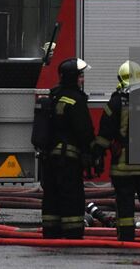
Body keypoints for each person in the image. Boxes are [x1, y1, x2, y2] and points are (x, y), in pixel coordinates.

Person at [92, 60, 140, 242]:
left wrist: (97, 153)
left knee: (125, 203)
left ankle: (126, 238)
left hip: (123, 164)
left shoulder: (117, 101)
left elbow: (105, 131)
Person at [40, 57, 94, 239]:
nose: (83, 80)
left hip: (50, 159)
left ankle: (51, 231)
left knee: (52, 197)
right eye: (80, 76)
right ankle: (72, 232)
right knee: (72, 196)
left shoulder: (53, 96)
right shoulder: (75, 99)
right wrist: (90, 153)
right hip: (68, 160)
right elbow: (84, 131)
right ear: (72, 77)